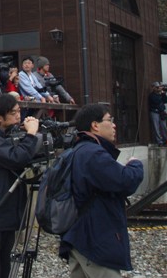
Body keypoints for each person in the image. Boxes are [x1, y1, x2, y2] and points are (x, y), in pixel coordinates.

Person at [59, 104, 144, 278]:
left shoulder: (80, 150)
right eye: (109, 120)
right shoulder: (93, 154)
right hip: (94, 239)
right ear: (95, 125)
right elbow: (125, 181)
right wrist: (136, 164)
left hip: (79, 236)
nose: (114, 125)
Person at [0, 94, 40, 278]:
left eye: (19, 111)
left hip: (7, 213)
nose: (18, 116)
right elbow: (17, 157)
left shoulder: (9, 135)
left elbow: (24, 156)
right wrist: (31, 134)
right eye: (13, 113)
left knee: (4, 267)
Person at [149, 82, 167, 146]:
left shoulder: (161, 94)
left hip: (162, 112)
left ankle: (165, 139)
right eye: (157, 87)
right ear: (153, 88)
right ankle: (159, 141)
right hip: (155, 112)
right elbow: (156, 101)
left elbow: (165, 101)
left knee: (164, 126)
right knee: (156, 127)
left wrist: (163, 93)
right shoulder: (151, 95)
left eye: (159, 87)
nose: (158, 88)